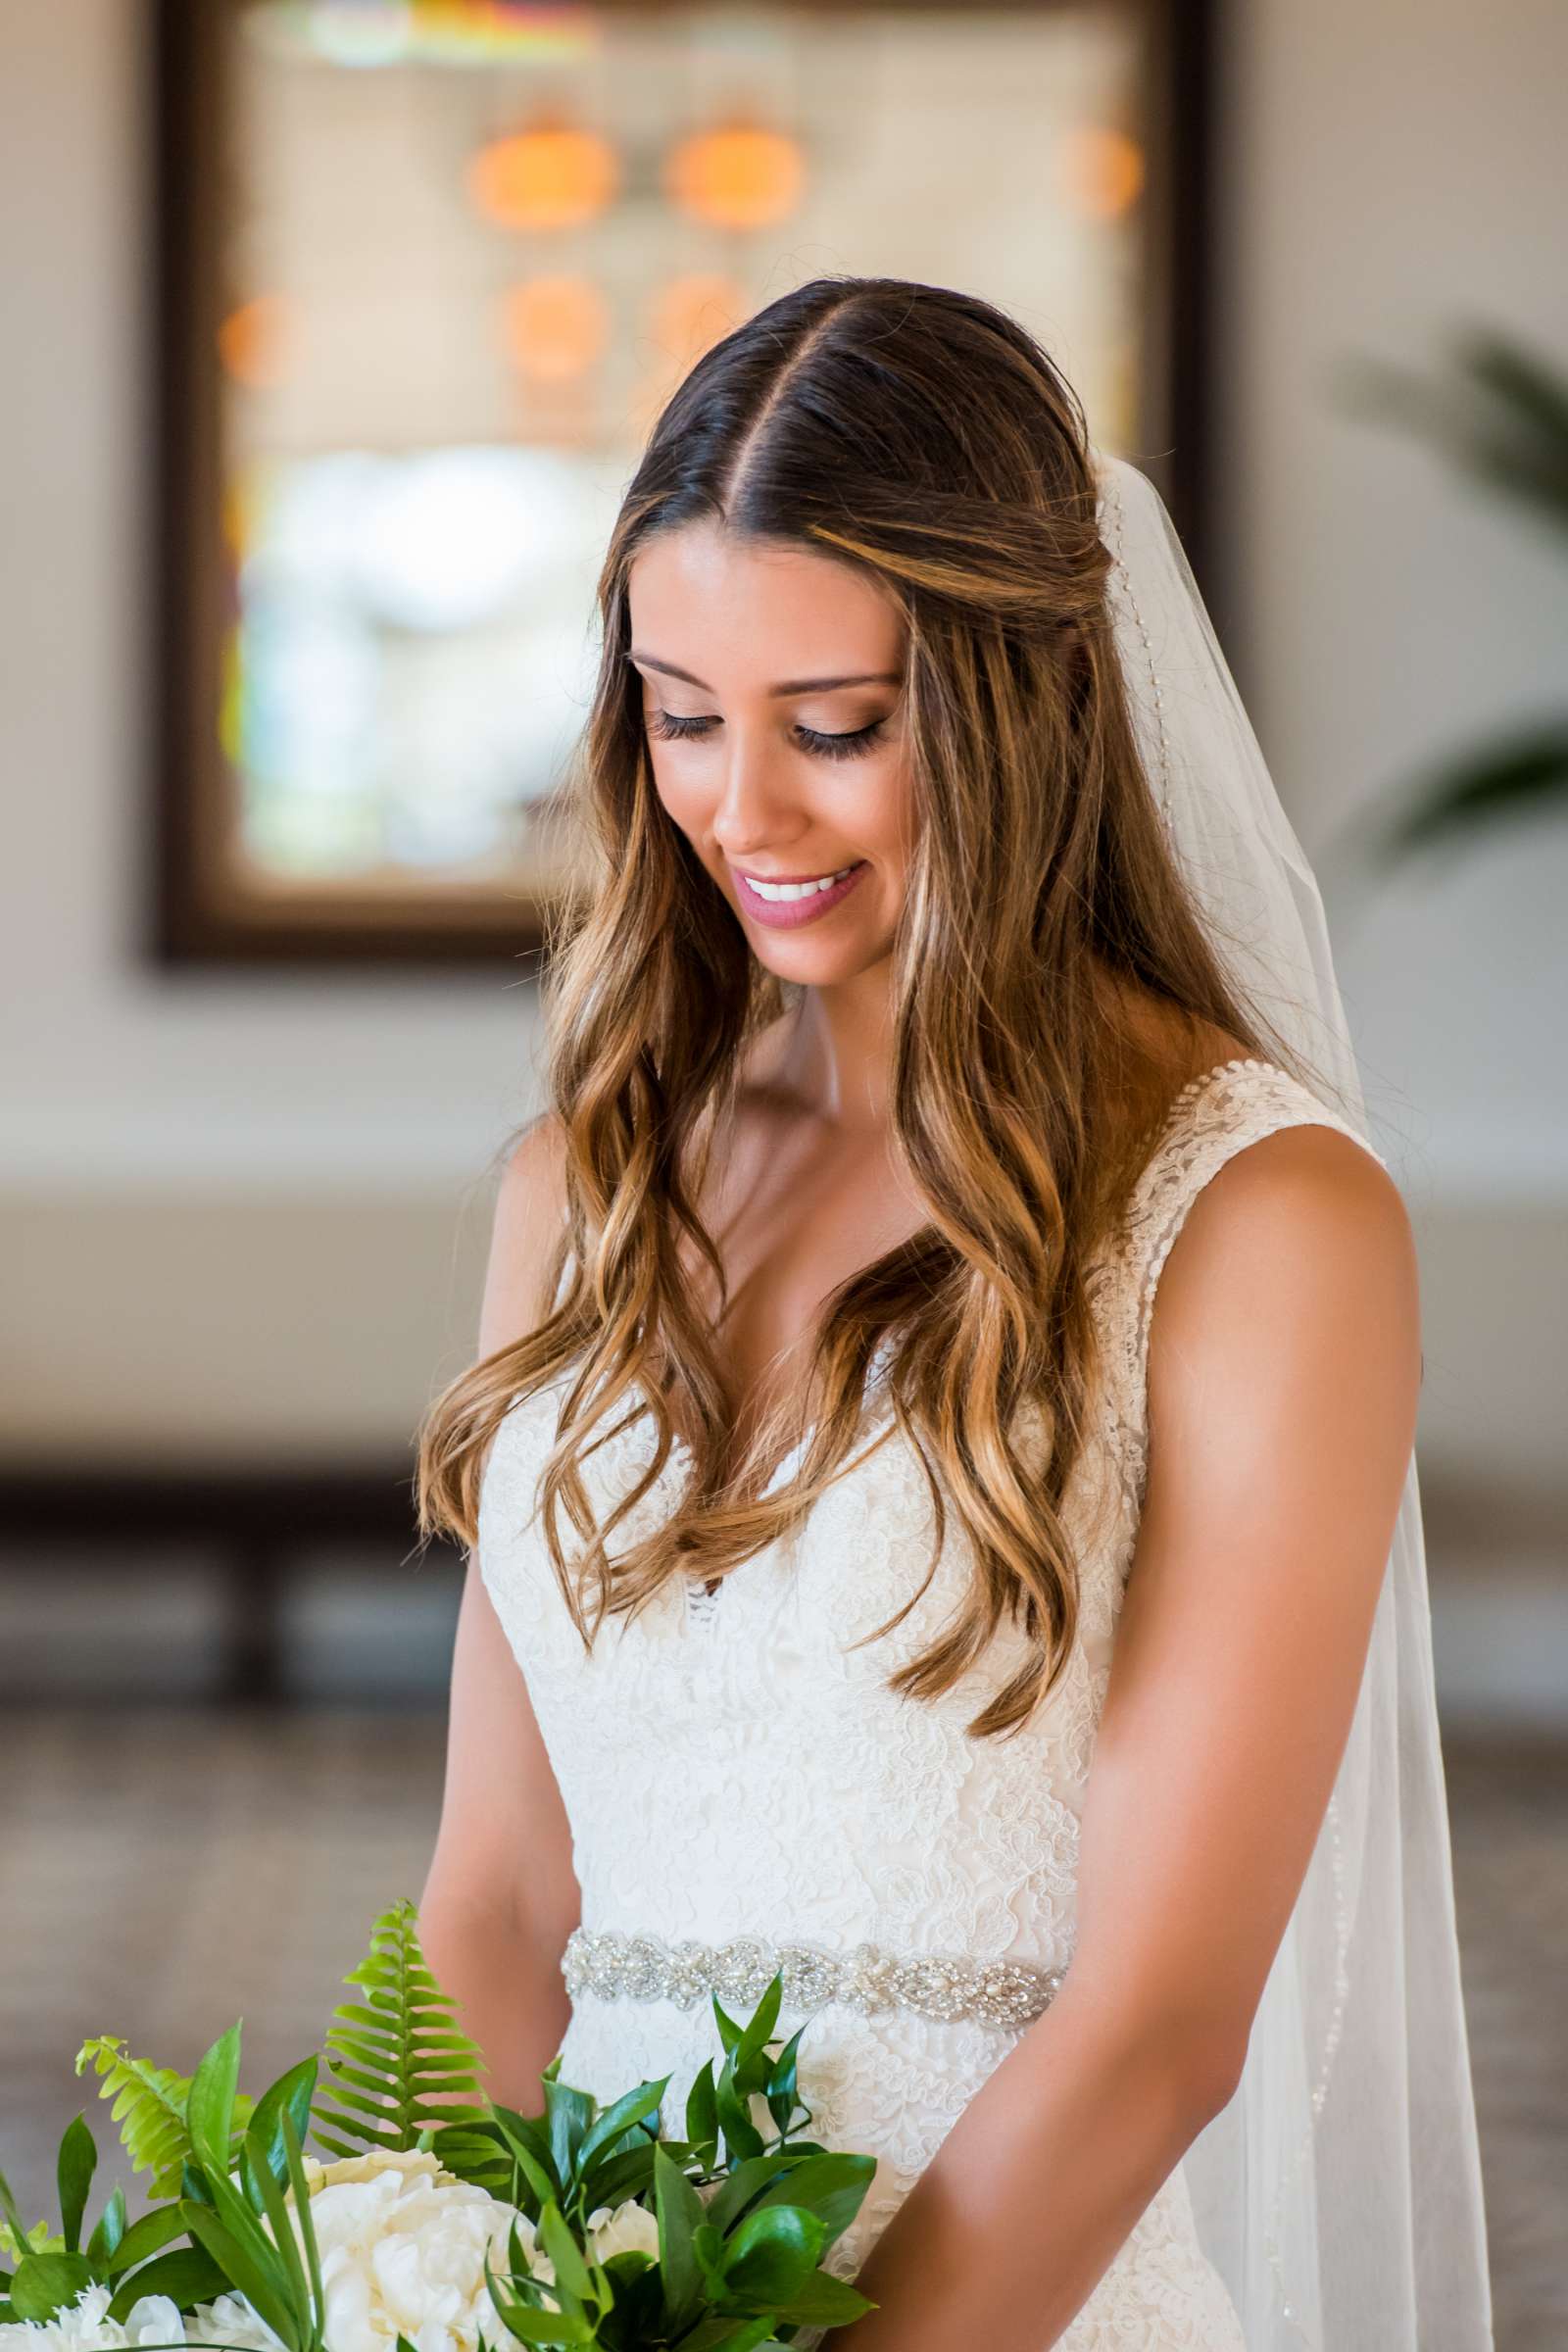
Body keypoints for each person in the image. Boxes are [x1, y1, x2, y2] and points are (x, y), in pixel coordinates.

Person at [414, 277, 1494, 2350]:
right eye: (677, 711)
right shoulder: (582, 1181)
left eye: (833, 727)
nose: (741, 809)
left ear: (1020, 703)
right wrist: (445, 2303)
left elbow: (1161, 2021)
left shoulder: (1256, 1217)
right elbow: (495, 1902)